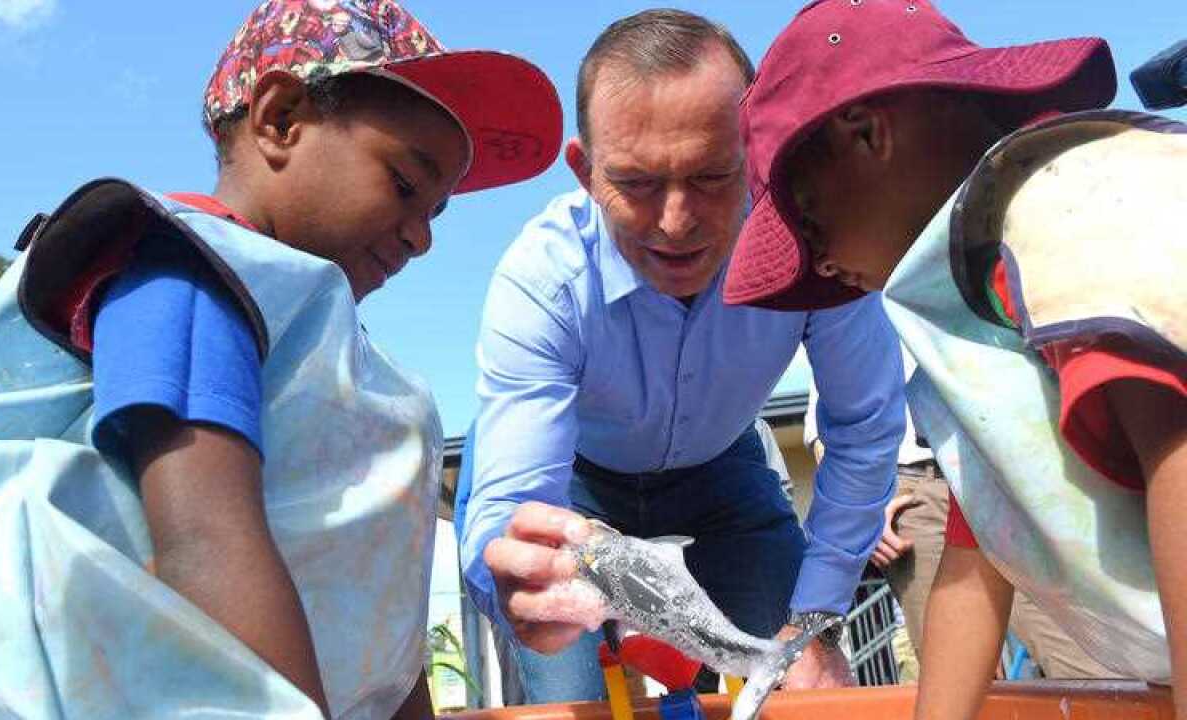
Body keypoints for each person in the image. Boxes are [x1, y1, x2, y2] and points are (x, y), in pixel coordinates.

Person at [0, 1, 562, 718]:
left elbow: (382, 628)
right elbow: (206, 540)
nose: (422, 238)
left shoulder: (340, 364)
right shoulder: (193, 275)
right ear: (280, 119)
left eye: (435, 211)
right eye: (405, 184)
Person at [724, 1, 1185, 718]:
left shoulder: (1073, 207)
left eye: (810, 222)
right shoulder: (992, 311)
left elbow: (1178, 453)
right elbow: (973, 564)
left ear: (866, 132)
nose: (822, 264)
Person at [459, 8, 906, 704]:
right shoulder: (543, 279)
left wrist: (815, 617)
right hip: (573, 483)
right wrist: (523, 586)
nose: (676, 223)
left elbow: (863, 428)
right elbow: (518, 504)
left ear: (756, 152)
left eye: (712, 176)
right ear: (584, 171)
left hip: (723, 475)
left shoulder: (817, 245)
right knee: (568, 693)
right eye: (636, 183)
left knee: (802, 684)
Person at [804, 349, 1117, 682]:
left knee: (1082, 656)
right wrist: (862, 506)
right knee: (959, 673)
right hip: (914, 487)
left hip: (1002, 470)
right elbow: (827, 418)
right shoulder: (848, 322)